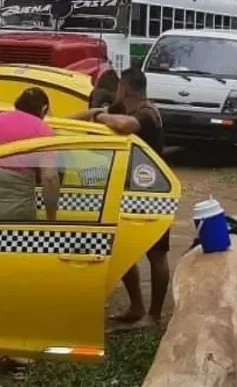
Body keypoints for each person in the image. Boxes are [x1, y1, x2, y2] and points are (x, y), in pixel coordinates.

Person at [73, 68, 168, 328]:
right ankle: (136, 307)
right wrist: (97, 113)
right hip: (129, 191)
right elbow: (78, 120)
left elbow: (125, 126)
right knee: (123, 250)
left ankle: (154, 315)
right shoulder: (128, 109)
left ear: (125, 88)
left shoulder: (147, 113)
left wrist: (104, 115)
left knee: (156, 254)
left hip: (151, 193)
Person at [0, 87, 60, 222]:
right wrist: (51, 218)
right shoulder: (43, 131)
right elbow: (50, 178)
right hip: (15, 212)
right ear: (44, 109)